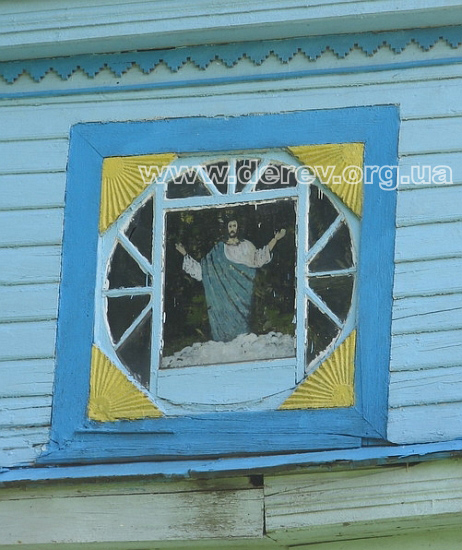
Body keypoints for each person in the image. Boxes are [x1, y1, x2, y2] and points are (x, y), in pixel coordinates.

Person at [176, 219, 286, 342]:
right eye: (230, 226)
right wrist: (185, 254)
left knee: (243, 335)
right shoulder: (218, 250)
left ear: (238, 228)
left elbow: (259, 258)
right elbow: (204, 271)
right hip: (223, 299)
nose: (232, 229)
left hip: (243, 294)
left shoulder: (247, 246)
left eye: (234, 226)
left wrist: (275, 239)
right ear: (226, 228)